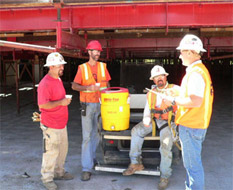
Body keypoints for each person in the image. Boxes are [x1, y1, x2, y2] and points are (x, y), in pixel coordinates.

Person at [163, 34, 214, 190]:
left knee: (193, 167)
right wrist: (178, 92)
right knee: (192, 165)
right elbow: (193, 95)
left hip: (192, 126)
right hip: (195, 125)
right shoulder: (198, 71)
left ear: (191, 52)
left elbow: (196, 101)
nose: (179, 56)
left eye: (181, 52)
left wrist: (172, 101)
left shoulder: (195, 73)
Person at [123, 65, 179, 190]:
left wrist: (174, 100)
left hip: (169, 122)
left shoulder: (175, 89)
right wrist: (146, 119)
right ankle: (136, 163)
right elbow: (148, 109)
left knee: (165, 145)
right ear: (153, 80)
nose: (159, 79)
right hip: (154, 120)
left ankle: (164, 176)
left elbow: (186, 102)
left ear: (165, 77)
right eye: (156, 77)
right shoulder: (151, 93)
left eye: (161, 76)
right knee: (136, 131)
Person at [71, 40, 111, 181]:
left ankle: (92, 158)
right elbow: (74, 86)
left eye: (99, 51)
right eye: (96, 51)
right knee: (87, 137)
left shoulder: (102, 66)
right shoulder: (82, 68)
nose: (98, 53)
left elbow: (107, 84)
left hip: (100, 105)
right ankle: (86, 168)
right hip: (87, 105)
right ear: (89, 52)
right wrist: (88, 88)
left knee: (97, 135)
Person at [37, 52, 74, 190]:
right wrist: (62, 103)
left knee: (62, 150)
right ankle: (47, 178)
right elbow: (43, 105)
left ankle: (59, 172)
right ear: (51, 66)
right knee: (51, 152)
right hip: (51, 124)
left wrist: (63, 102)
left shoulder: (57, 79)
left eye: (62, 65)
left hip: (61, 123)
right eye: (60, 65)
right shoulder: (44, 83)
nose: (62, 68)